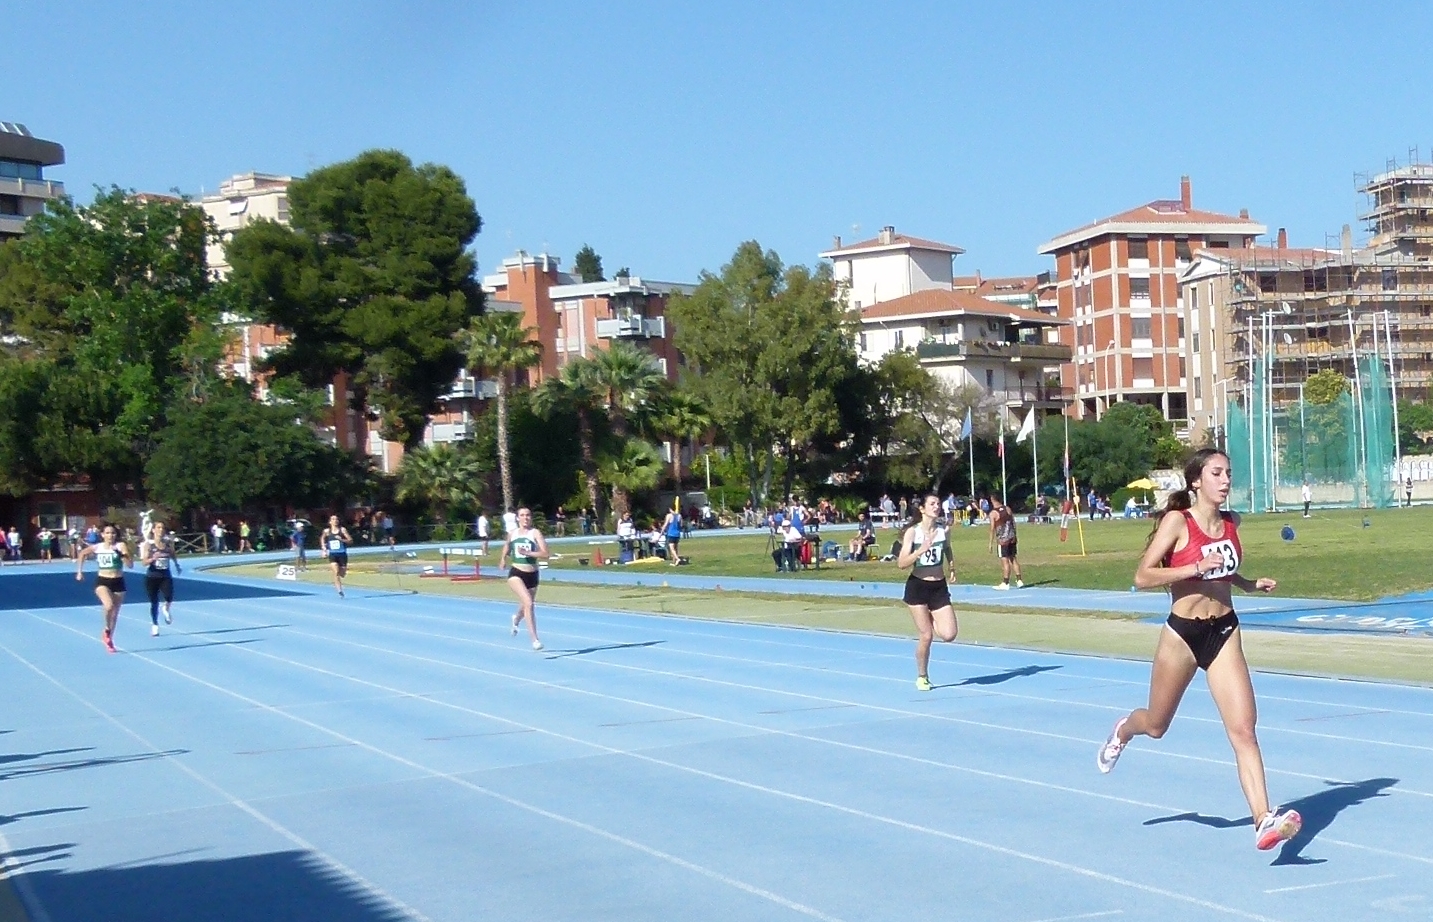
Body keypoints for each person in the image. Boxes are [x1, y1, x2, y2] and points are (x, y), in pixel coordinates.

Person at [1096, 448, 1302, 852]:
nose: (1225, 481)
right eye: (1216, 473)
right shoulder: (1178, 521)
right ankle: (1123, 730)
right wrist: (1194, 569)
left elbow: (1223, 568)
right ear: (1196, 481)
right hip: (1183, 635)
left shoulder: (1232, 521)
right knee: (1156, 726)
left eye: (1228, 473)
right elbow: (1143, 576)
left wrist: (1247, 584)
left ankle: (1263, 819)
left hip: (1224, 631)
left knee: (1244, 730)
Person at [897, 494, 958, 691]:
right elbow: (901, 563)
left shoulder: (943, 530)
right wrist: (919, 551)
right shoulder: (913, 533)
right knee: (926, 636)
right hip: (918, 587)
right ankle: (922, 676)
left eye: (938, 503)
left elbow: (947, 548)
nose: (936, 506)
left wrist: (952, 567)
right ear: (922, 509)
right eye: (932, 504)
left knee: (949, 634)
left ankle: (931, 617)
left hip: (939, 587)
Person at [76, 523, 132, 653]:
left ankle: (109, 639)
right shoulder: (98, 547)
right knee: (109, 605)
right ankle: (106, 628)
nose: (110, 535)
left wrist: (121, 555)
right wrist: (79, 572)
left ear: (116, 535)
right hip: (102, 580)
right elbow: (82, 553)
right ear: (102, 535)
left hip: (118, 581)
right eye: (107, 533)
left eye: (113, 533)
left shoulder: (120, 546)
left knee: (115, 614)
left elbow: (130, 565)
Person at [501, 507, 549, 651]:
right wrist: (503, 559)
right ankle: (535, 640)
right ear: (517, 518)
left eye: (528, 515)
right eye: (522, 515)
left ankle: (516, 618)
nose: (525, 518)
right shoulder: (512, 533)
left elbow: (545, 553)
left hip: (532, 574)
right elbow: (507, 546)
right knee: (528, 603)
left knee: (525, 606)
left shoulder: (535, 533)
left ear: (531, 517)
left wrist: (529, 553)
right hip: (516, 573)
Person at [140, 521, 181, 635]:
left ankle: (166, 608)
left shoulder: (167, 544)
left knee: (169, 596)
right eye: (158, 528)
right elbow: (144, 562)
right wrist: (153, 559)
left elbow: (172, 554)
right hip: (152, 576)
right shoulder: (149, 545)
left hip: (165, 575)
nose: (161, 530)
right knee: (154, 602)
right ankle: (155, 624)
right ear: (153, 530)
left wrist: (177, 565)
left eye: (162, 528)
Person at [988, 498, 1023, 589]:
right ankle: (1019, 580)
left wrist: (990, 543)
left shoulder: (993, 513)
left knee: (1005, 561)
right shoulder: (1007, 509)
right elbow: (1013, 522)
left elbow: (992, 528)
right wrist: (1015, 535)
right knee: (1013, 559)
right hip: (1011, 537)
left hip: (1003, 540)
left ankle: (1005, 582)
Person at [321, 514, 353, 597]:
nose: (335, 521)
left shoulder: (342, 530)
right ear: (330, 522)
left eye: (336, 519)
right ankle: (339, 591)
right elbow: (322, 538)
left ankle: (340, 579)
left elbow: (350, 540)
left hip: (342, 554)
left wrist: (341, 539)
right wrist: (324, 549)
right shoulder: (327, 531)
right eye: (333, 519)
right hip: (333, 554)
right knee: (336, 572)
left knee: (342, 574)